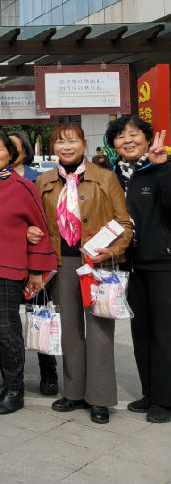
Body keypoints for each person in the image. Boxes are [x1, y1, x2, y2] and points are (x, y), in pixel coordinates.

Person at [36, 123, 133, 424]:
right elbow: (37, 223)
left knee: (100, 331)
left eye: (72, 141)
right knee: (70, 330)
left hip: (97, 264)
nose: (66, 147)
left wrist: (112, 251)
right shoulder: (43, 181)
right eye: (60, 142)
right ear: (53, 148)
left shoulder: (105, 178)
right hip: (62, 264)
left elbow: (124, 224)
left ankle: (100, 398)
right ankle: (74, 392)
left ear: (84, 144)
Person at [0, 130, 55, 415]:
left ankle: (15, 391)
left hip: (8, 269)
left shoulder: (22, 186)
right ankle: (8, 381)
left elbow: (40, 228)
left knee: (8, 330)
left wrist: (37, 269)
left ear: (10, 154)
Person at [107, 115, 170, 423]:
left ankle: (165, 399)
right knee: (140, 331)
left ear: (147, 138)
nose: (127, 140)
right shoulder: (113, 175)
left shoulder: (161, 167)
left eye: (134, 135)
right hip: (128, 264)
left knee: (164, 332)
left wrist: (162, 167)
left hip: (162, 263)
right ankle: (149, 392)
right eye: (120, 136)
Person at [7, 129, 58, 395]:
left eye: (15, 146)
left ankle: (48, 371)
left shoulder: (38, 179)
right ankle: (12, 376)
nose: (10, 151)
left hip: (34, 260)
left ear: (25, 150)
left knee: (39, 316)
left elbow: (46, 221)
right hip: (6, 260)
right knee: (8, 323)